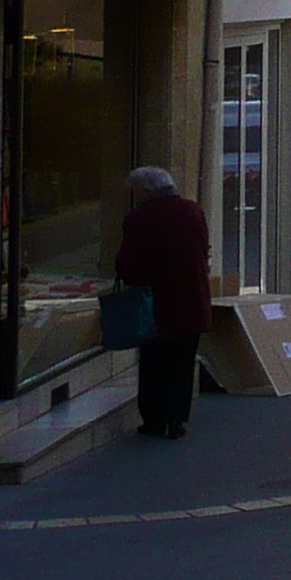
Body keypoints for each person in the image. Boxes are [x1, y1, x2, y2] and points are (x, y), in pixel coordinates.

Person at [114, 167, 210, 440]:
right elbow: (203, 249)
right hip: (190, 300)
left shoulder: (139, 217)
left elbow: (130, 263)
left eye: (134, 191)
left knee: (154, 363)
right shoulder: (192, 211)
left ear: (146, 190)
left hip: (155, 302)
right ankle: (177, 419)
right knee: (182, 361)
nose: (133, 197)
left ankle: (154, 420)